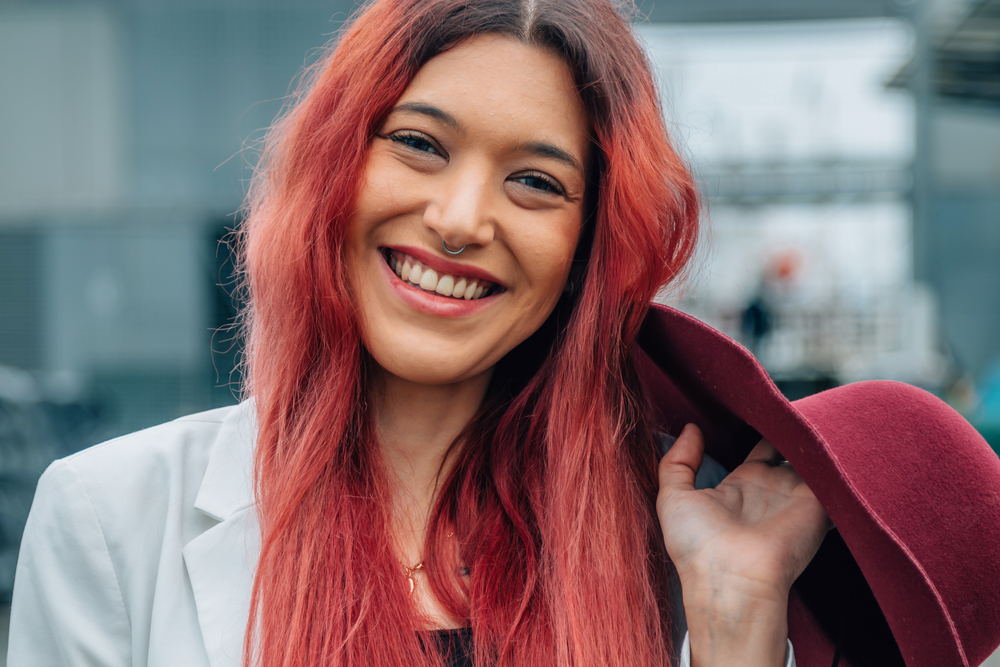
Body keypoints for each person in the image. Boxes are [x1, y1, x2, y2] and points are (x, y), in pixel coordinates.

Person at [11, 1, 1000, 666]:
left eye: (535, 181)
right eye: (419, 145)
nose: (458, 216)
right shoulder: (111, 519)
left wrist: (737, 622)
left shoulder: (676, 548)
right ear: (330, 170)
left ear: (587, 244)